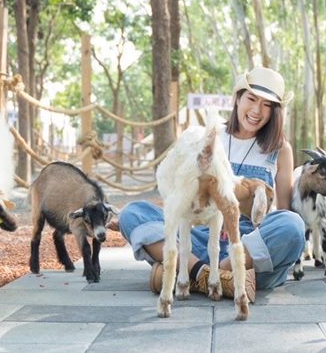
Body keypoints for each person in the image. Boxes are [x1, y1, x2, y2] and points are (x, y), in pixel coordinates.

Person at [114, 66, 305, 300]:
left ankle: (190, 274)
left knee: (292, 225)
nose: (257, 110)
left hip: (246, 246)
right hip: (199, 236)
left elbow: (282, 211)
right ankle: (213, 277)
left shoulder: (280, 149)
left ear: (275, 111)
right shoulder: (209, 136)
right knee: (133, 213)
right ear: (237, 98)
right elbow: (180, 193)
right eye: (252, 99)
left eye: (267, 105)